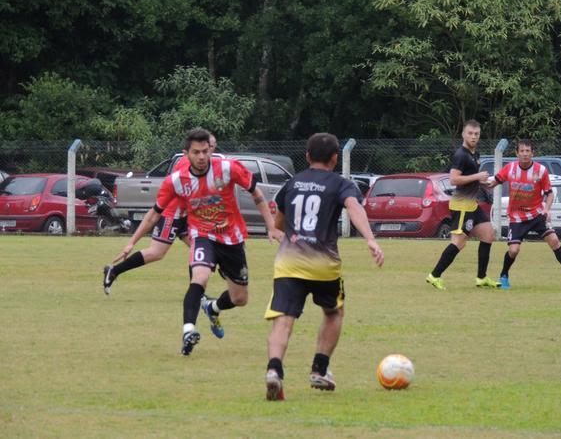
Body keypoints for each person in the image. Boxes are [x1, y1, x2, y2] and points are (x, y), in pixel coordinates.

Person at [110, 128, 281, 355]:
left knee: (240, 299)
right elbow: (154, 214)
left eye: (204, 151)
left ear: (210, 150)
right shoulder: (176, 181)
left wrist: (271, 226)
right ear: (186, 154)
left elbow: (256, 193)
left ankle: (213, 307)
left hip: (232, 239)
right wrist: (131, 242)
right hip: (202, 236)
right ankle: (188, 330)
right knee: (199, 277)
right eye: (195, 152)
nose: (201, 157)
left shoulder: (228, 168)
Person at [264, 132, 384, 401]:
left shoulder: (292, 183)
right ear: (334, 158)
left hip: (288, 263)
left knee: (283, 321)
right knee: (333, 312)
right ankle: (319, 369)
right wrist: (370, 239)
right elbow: (354, 208)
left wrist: (283, 230)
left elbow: (278, 224)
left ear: (307, 157)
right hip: (324, 265)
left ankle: (274, 370)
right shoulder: (341, 184)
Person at [102, 136, 218, 295]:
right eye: (207, 148)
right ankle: (114, 271)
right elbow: (178, 190)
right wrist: (132, 242)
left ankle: (197, 293)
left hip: (185, 215)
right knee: (156, 253)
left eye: (211, 148)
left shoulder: (207, 165)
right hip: (173, 214)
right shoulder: (186, 163)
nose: (208, 153)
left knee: (199, 248)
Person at [487, 139, 561, 290]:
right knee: (513, 250)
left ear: (533, 153)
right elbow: (493, 182)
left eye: (528, 151)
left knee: (555, 241)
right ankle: (504, 275)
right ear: (517, 153)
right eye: (522, 151)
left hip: (537, 215)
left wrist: (546, 209)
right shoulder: (510, 169)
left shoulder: (541, 170)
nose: (525, 154)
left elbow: (549, 194)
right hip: (517, 218)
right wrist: (476, 182)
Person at [426, 119, 500, 290]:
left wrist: (485, 183)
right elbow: (453, 179)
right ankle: (434, 275)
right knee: (459, 242)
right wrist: (477, 177)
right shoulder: (461, 155)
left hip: (472, 205)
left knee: (488, 234)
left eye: (476, 134)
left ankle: (481, 278)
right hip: (461, 206)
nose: (473, 137)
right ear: (463, 134)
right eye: (470, 133)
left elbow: (469, 180)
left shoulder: (475, 154)